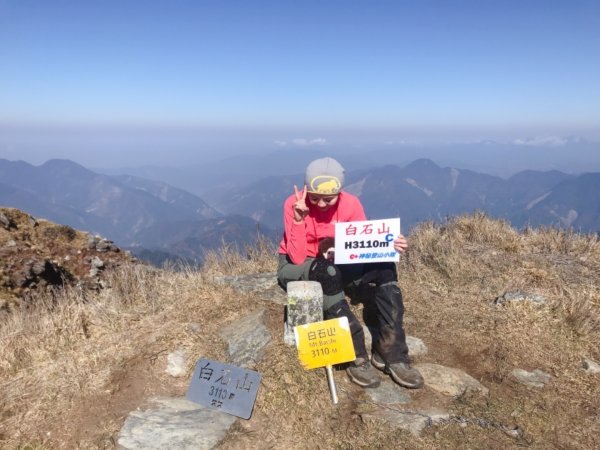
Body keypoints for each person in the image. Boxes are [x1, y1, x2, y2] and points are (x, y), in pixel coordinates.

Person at [277, 157, 424, 389]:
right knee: (327, 272)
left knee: (385, 268)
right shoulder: (294, 204)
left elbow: (363, 244)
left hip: (338, 260)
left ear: (340, 191)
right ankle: (355, 353)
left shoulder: (350, 204)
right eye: (315, 198)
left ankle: (392, 351)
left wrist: (389, 245)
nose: (322, 204)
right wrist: (298, 219)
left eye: (329, 198)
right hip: (298, 264)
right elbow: (295, 257)